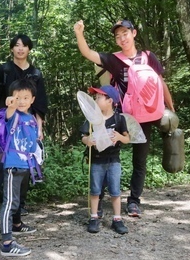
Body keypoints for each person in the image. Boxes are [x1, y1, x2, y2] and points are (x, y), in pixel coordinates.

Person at [74, 19, 175, 217]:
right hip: (118, 116)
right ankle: (99, 202)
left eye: (125, 33)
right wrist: (79, 33)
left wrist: (171, 108)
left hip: (145, 116)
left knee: (140, 160)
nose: (122, 38)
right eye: (117, 36)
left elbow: (161, 83)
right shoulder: (113, 59)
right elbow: (87, 53)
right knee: (104, 155)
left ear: (134, 33)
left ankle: (134, 201)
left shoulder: (148, 57)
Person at [0, 34, 48, 219]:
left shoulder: (36, 74)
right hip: (4, 125)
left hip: (25, 127)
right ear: (12, 49)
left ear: (29, 49)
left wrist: (39, 128)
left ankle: (18, 206)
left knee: (24, 164)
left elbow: (40, 104)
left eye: (24, 46)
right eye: (16, 45)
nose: (20, 48)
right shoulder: (5, 69)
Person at [80, 85, 130, 234]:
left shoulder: (119, 118)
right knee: (95, 189)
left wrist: (120, 137)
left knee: (115, 191)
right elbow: (83, 136)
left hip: (114, 160)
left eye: (99, 97)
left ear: (110, 101)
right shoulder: (92, 119)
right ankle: (94, 217)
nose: (96, 100)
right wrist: (87, 140)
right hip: (96, 160)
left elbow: (127, 138)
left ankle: (117, 219)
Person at [0, 78, 38, 257]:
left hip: (26, 166)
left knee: (19, 201)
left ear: (32, 100)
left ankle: (16, 225)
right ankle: (7, 244)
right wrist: (10, 105)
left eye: (25, 97)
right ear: (11, 98)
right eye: (17, 97)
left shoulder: (32, 119)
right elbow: (9, 112)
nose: (21, 101)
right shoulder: (12, 114)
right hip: (12, 166)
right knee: (10, 202)